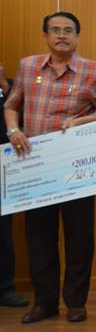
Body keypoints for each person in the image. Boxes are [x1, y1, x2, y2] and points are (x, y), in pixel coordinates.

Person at [3, 12, 96, 323]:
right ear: (46, 36)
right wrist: (13, 130)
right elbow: (11, 104)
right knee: (39, 238)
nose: (62, 35)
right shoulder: (28, 66)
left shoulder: (93, 70)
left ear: (77, 37)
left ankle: (76, 302)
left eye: (68, 30)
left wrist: (79, 122)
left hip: (76, 168)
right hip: (35, 167)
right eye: (55, 30)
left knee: (80, 239)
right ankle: (45, 302)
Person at [0, 62, 28, 309]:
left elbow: (26, 117)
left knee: (3, 234)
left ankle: (4, 288)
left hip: (6, 169)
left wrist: (4, 85)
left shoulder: (12, 87)